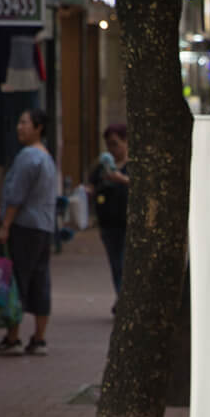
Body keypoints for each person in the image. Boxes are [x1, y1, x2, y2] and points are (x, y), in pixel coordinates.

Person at [0, 108, 58, 356]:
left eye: (24, 123)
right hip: (43, 227)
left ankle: (13, 337)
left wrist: (5, 225)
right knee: (40, 280)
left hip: (24, 226)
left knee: (17, 281)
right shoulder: (46, 158)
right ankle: (39, 338)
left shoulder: (28, 157)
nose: (20, 127)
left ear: (38, 127)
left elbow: (16, 196)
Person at [90, 123, 130, 301]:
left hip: (127, 223)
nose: (112, 149)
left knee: (124, 264)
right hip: (108, 223)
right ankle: (120, 298)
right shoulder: (103, 166)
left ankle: (124, 300)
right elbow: (92, 186)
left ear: (126, 142)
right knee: (115, 264)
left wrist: (121, 179)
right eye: (109, 145)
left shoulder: (132, 165)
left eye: (115, 144)